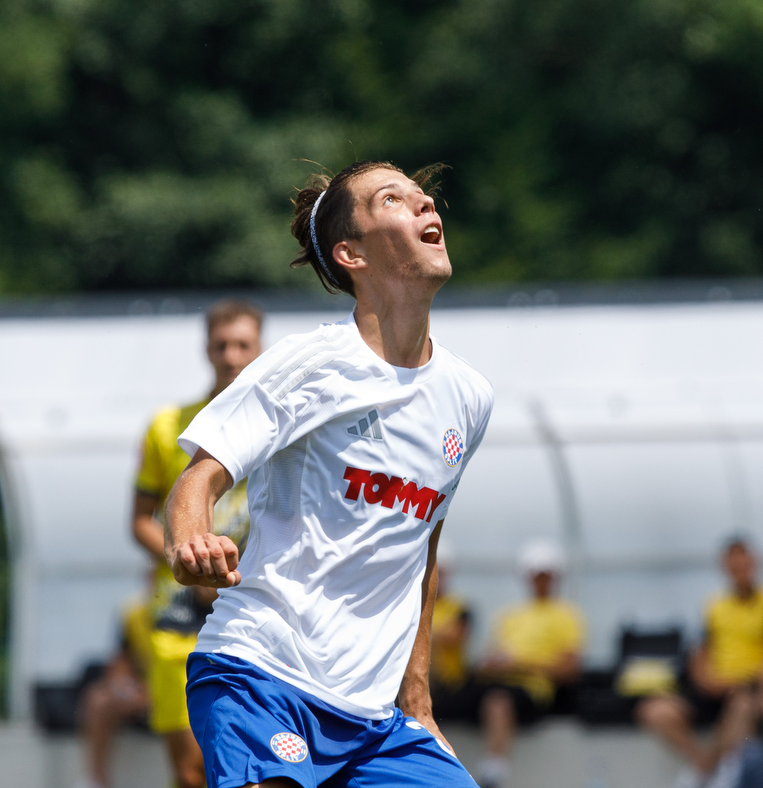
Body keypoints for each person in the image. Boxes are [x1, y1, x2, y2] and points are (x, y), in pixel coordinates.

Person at [164, 160, 492, 788]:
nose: (426, 207)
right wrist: (189, 541)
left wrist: (417, 704)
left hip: (375, 721)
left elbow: (420, 553)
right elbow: (198, 478)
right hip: (261, 677)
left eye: (426, 198)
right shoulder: (308, 364)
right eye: (395, 199)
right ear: (351, 253)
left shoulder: (468, 397)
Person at [130, 298, 262, 788]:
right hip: (178, 616)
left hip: (258, 612)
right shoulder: (168, 427)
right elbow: (140, 521)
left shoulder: (283, 425)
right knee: (191, 771)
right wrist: (186, 559)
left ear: (260, 348)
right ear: (206, 350)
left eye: (242, 345)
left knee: (251, 767)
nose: (231, 356)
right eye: (221, 345)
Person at [636, 536, 763, 787]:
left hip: (749, 688)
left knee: (742, 707)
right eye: (733, 565)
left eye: (743, 564)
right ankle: (704, 764)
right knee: (654, 711)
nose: (739, 571)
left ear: (754, 564)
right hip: (715, 688)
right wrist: (706, 681)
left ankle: (715, 772)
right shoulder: (714, 606)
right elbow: (700, 652)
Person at [474, 539, 585, 788]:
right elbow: (487, 659)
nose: (540, 580)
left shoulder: (566, 614)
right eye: (536, 574)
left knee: (498, 701)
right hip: (500, 683)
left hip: (536, 689)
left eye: (545, 575)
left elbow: (570, 669)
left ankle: (493, 770)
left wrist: (519, 665)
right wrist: (493, 665)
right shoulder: (509, 615)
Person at [71, 602, 152, 788]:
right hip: (143, 696)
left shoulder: (194, 608)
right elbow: (121, 660)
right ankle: (96, 781)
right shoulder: (134, 613)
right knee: (97, 699)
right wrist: (122, 687)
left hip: (177, 694)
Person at [427, 545, 476, 722]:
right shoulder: (416, 604)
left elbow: (456, 636)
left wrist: (425, 635)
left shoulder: (460, 606)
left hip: (452, 683)